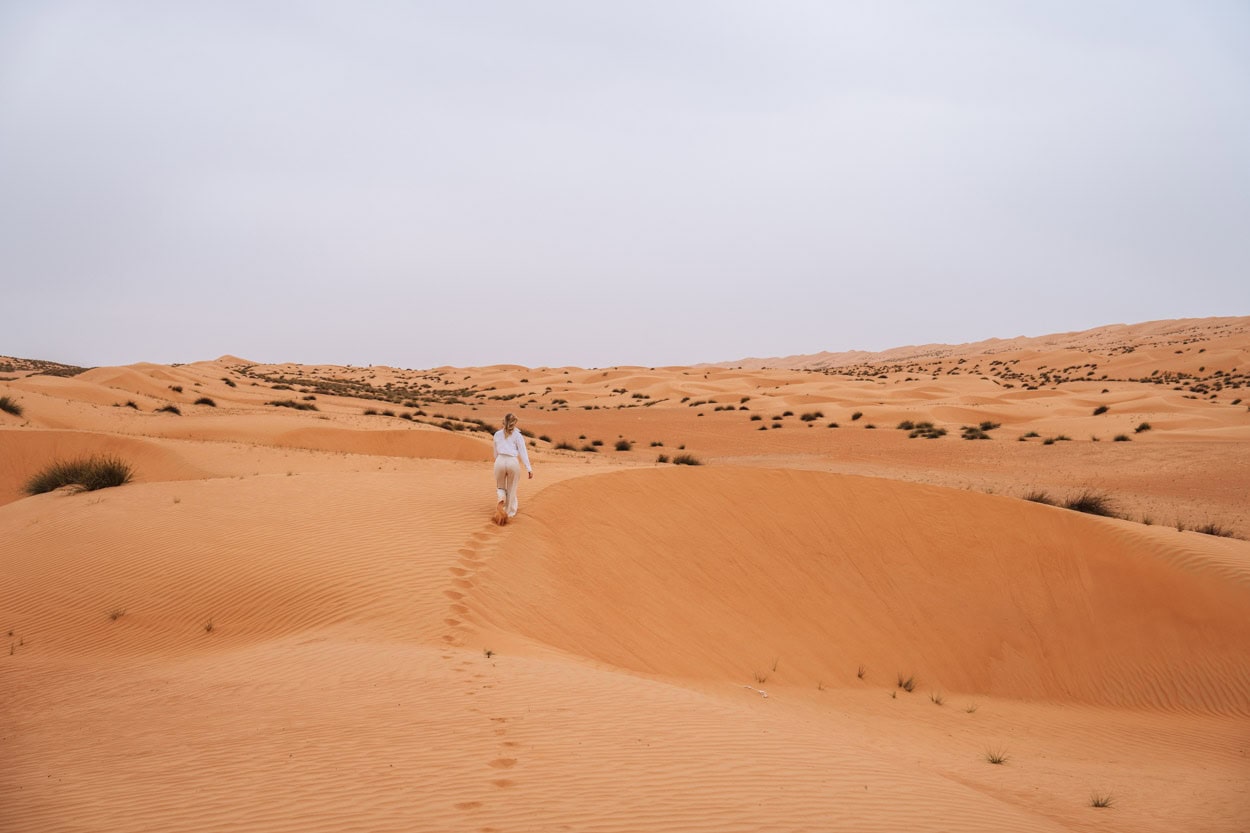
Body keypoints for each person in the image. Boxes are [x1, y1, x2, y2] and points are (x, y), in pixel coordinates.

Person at [492, 412, 532, 521]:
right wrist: (529, 468)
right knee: (511, 487)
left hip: (500, 460)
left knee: (500, 486)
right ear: (514, 423)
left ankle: (501, 499)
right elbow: (523, 453)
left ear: (503, 422)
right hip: (512, 462)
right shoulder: (518, 435)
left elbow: (495, 452)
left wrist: (498, 461)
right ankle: (509, 512)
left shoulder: (497, 434)